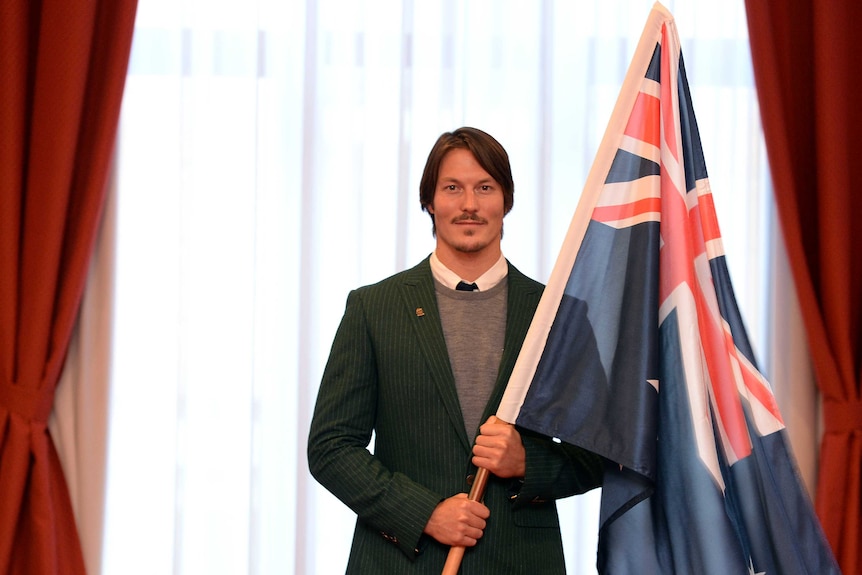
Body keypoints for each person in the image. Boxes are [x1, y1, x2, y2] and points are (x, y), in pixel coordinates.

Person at [307, 127, 604, 574]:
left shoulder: (554, 315)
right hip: (399, 562)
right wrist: (423, 513)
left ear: (506, 200)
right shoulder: (373, 308)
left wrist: (528, 462)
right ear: (430, 201)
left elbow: (601, 452)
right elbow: (331, 447)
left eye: (485, 187)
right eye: (453, 188)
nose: (469, 204)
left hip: (521, 562)